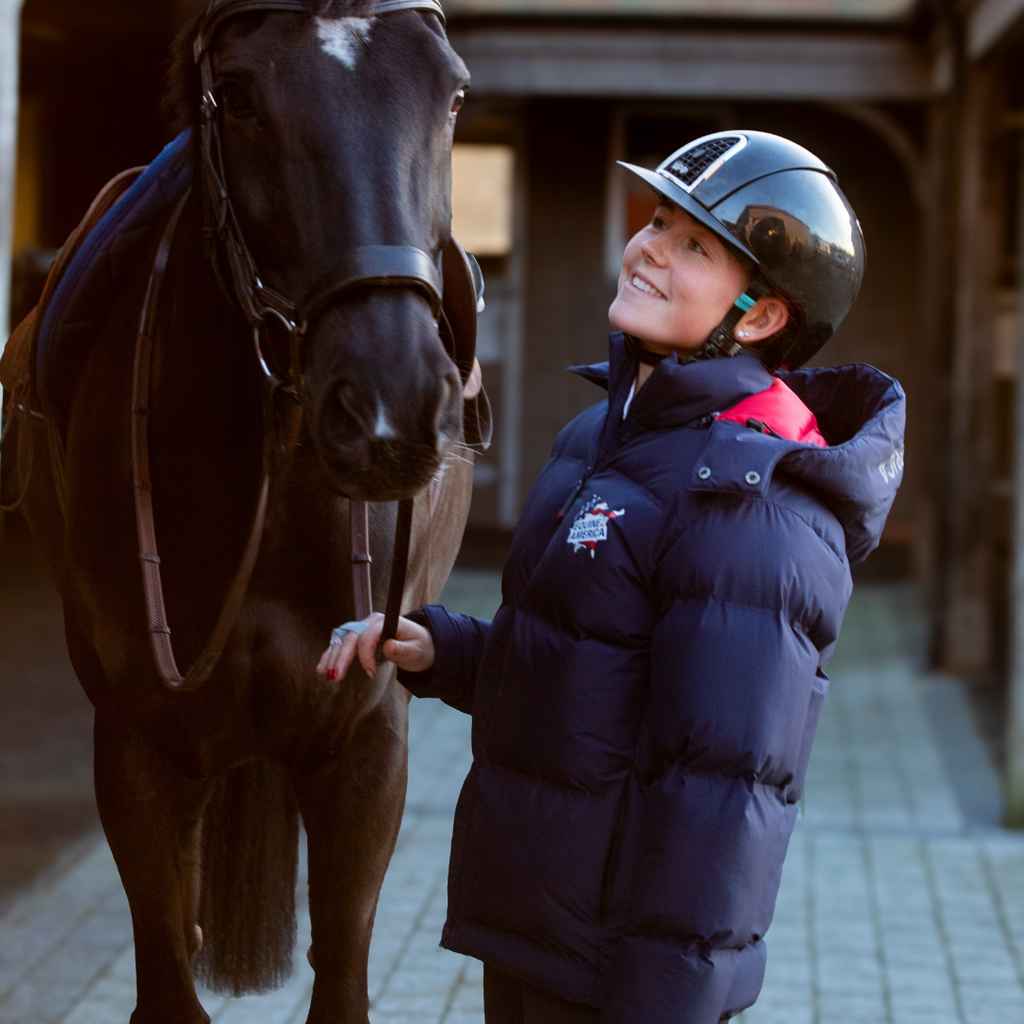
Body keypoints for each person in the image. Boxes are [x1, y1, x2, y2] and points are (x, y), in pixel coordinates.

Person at [318, 131, 905, 1024]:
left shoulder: (757, 498)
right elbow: (585, 667)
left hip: (615, 982)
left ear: (759, 316)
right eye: (658, 220)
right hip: (530, 927)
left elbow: (721, 797)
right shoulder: (603, 437)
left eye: (696, 245)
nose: (650, 248)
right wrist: (445, 649)